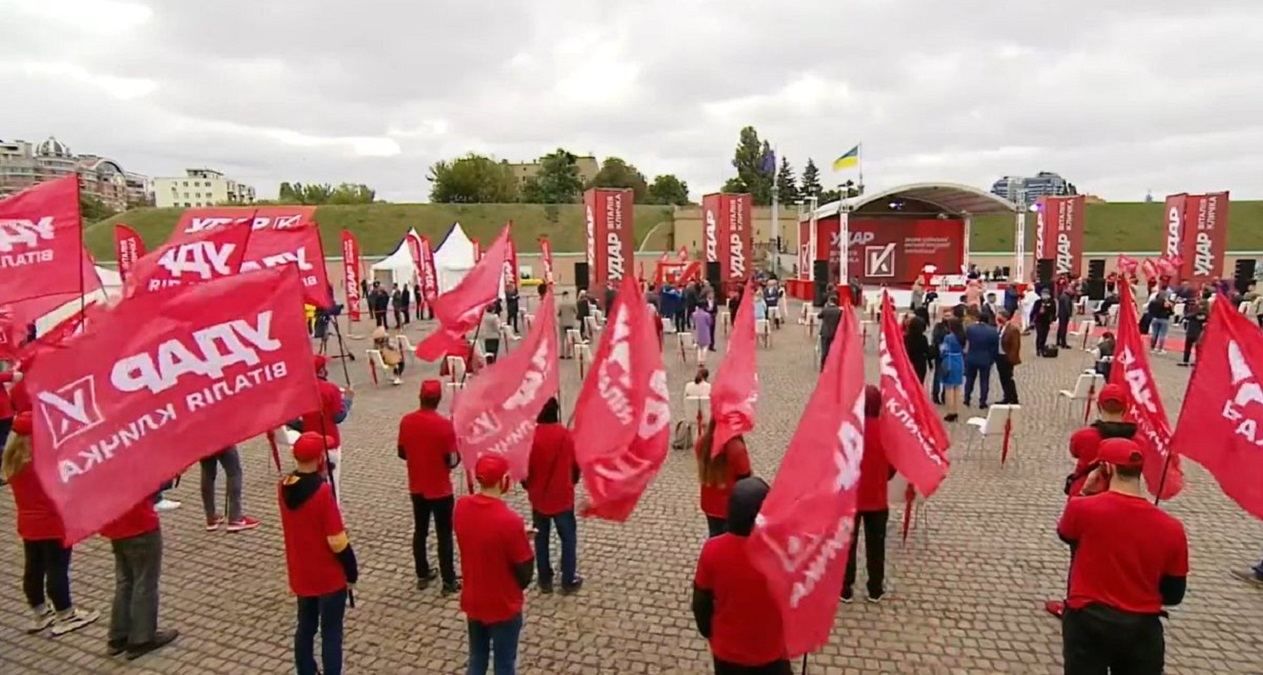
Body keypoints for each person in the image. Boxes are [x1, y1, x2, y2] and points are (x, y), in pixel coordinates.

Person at [1058, 438, 1188, 674]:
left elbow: (1067, 535)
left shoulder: (1082, 509)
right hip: (1141, 630)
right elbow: (1174, 594)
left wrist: (1086, 492)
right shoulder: (1172, 528)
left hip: (1088, 621)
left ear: (1105, 468)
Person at [3, 412, 100, 635]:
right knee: (57, 569)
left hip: (28, 524)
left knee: (33, 568)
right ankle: (65, 613)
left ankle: (40, 612)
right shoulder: (46, 462)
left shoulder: (12, 461)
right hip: (53, 523)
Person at [692, 477, 789, 674]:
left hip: (727, 652)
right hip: (770, 651)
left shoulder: (712, 550)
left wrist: (710, 632)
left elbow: (701, 603)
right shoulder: (782, 552)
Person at [280, 432, 358, 675]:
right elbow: (337, 540)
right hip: (327, 575)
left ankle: (305, 669)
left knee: (305, 627)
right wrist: (351, 569)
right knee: (331, 633)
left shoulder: (283, 487)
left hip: (302, 572)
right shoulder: (322, 493)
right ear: (320, 457)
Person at [454, 455, 535, 675]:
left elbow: (480, 536)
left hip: (474, 598)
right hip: (502, 603)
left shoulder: (461, 507)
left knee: (477, 658)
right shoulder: (509, 521)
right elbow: (524, 573)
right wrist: (522, 538)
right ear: (503, 481)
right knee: (505, 664)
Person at [398, 380, 460, 595]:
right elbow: (452, 460)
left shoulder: (407, 421)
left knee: (420, 531)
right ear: (438, 399)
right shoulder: (444, 425)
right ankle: (449, 580)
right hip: (440, 488)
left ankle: (422, 572)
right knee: (444, 535)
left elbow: (402, 452)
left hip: (417, 486)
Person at [102, 492, 177, 659]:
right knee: (145, 581)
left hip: (115, 525)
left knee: (125, 581)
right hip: (139, 524)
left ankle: (118, 635)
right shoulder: (131, 467)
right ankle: (141, 638)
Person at [525, 397, 582, 595]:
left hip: (539, 497)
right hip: (562, 496)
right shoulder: (566, 436)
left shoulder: (531, 437)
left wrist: (529, 487)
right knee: (568, 538)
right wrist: (571, 482)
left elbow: (524, 470)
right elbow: (576, 467)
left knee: (541, 539)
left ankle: (544, 578)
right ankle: (568, 579)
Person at [843, 386, 894, 603]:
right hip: (877, 499)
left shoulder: (851, 433)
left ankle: (845, 587)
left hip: (852, 500)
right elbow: (892, 468)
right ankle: (875, 587)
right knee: (877, 545)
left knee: (848, 544)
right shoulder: (886, 433)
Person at [289, 355, 353, 506]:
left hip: (308, 445)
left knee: (312, 487)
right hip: (330, 443)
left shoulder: (300, 390)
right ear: (322, 370)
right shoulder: (331, 389)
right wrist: (348, 400)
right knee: (332, 486)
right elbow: (339, 417)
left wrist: (305, 427)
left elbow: (292, 420)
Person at [696, 419, 753, 538]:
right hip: (729, 507)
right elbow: (745, 480)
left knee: (714, 535)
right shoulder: (736, 448)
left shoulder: (702, 442)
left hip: (709, 504)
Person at [200, 446, 259, 532]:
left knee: (207, 473)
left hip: (203, 440)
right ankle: (235, 518)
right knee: (234, 472)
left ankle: (211, 517)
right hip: (221, 439)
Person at [963, 310, 999, 409]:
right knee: (984, 381)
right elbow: (995, 348)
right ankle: (982, 401)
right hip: (985, 358)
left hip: (971, 357)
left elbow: (967, 342)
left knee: (969, 379)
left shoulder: (970, 329)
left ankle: (967, 399)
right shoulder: (993, 331)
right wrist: (992, 359)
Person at [940, 320, 965, 422]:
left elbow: (943, 350)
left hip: (950, 361)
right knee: (957, 387)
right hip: (959, 360)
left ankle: (950, 412)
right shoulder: (962, 336)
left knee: (949, 388)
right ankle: (956, 410)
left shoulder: (948, 337)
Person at [996, 310, 1022, 405]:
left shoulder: (1013, 329)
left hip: (1007, 358)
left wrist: (1010, 358)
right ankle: (1006, 396)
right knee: (1003, 378)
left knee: (1008, 378)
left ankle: (1013, 397)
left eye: (999, 317)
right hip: (999, 356)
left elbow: (1015, 346)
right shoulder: (1000, 328)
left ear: (1004, 317)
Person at [1179, 296, 1208, 366]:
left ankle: (1194, 361)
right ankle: (1188, 361)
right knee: (1190, 347)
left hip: (1196, 331)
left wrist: (1194, 314)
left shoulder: (1202, 313)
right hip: (1193, 330)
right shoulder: (1202, 313)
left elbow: (1189, 316)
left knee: (1195, 347)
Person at [818, 295, 842, 370]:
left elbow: (819, 316)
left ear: (829, 301)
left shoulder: (825, 309)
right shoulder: (838, 311)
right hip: (834, 333)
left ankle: (823, 366)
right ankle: (832, 365)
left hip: (825, 332)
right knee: (832, 349)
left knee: (824, 349)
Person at [904, 315, 931, 384]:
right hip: (920, 363)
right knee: (919, 383)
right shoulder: (923, 338)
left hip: (909, 362)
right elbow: (927, 351)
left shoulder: (906, 338)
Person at [1031, 289, 1057, 356]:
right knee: (1040, 334)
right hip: (1038, 321)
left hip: (1046, 321)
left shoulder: (1052, 302)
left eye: (1046, 294)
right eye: (1043, 294)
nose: (1045, 296)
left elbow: (1053, 311)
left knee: (1044, 335)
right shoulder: (1038, 302)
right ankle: (1038, 349)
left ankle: (1042, 348)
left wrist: (1053, 318)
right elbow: (1033, 312)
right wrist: (1032, 320)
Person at [558, 290, 578, 357]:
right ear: (568, 295)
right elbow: (576, 311)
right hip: (570, 323)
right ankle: (568, 354)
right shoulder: (572, 303)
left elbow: (558, 314)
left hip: (562, 323)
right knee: (569, 339)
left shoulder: (560, 304)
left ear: (562, 296)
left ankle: (562, 354)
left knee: (562, 339)